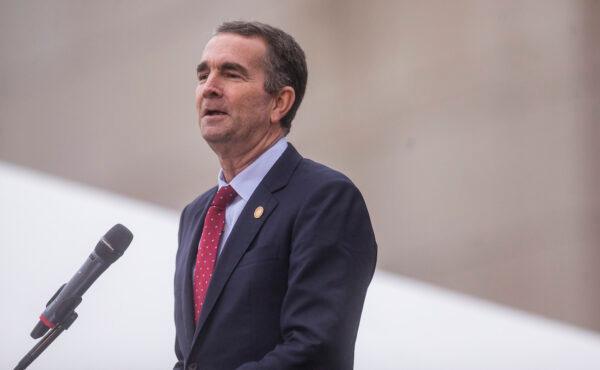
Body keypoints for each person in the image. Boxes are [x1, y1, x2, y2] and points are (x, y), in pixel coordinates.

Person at [174, 21, 377, 370]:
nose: (209, 88)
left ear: (280, 102)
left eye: (231, 74)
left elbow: (315, 350)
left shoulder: (323, 199)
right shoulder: (197, 215)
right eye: (203, 75)